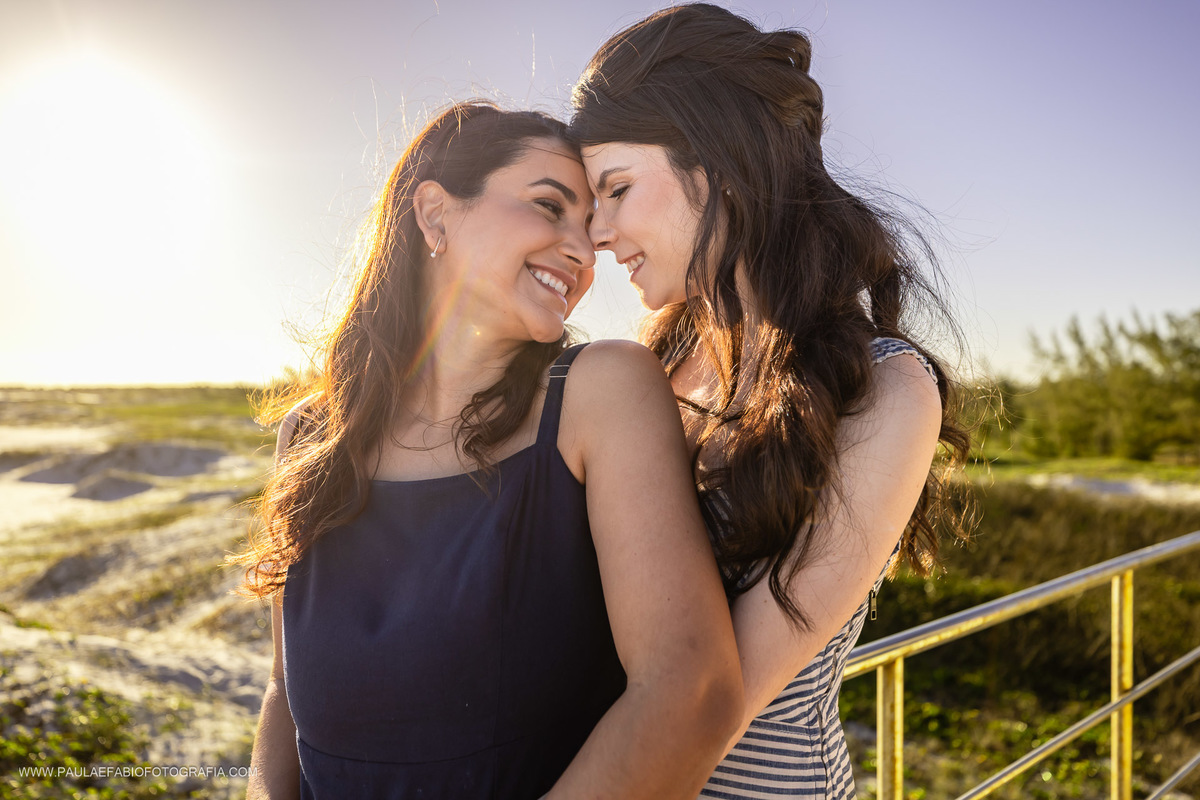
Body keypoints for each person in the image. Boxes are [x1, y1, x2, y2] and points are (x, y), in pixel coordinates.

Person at [235, 101, 742, 800]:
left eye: (590, 226)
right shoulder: (311, 436)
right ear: (436, 216)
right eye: (548, 206)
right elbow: (283, 692)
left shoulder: (601, 393)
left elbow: (691, 690)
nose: (582, 250)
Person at [570, 5, 971, 798]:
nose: (598, 233)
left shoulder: (887, 389)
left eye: (615, 189)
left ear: (718, 161)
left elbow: (717, 701)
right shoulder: (652, 362)